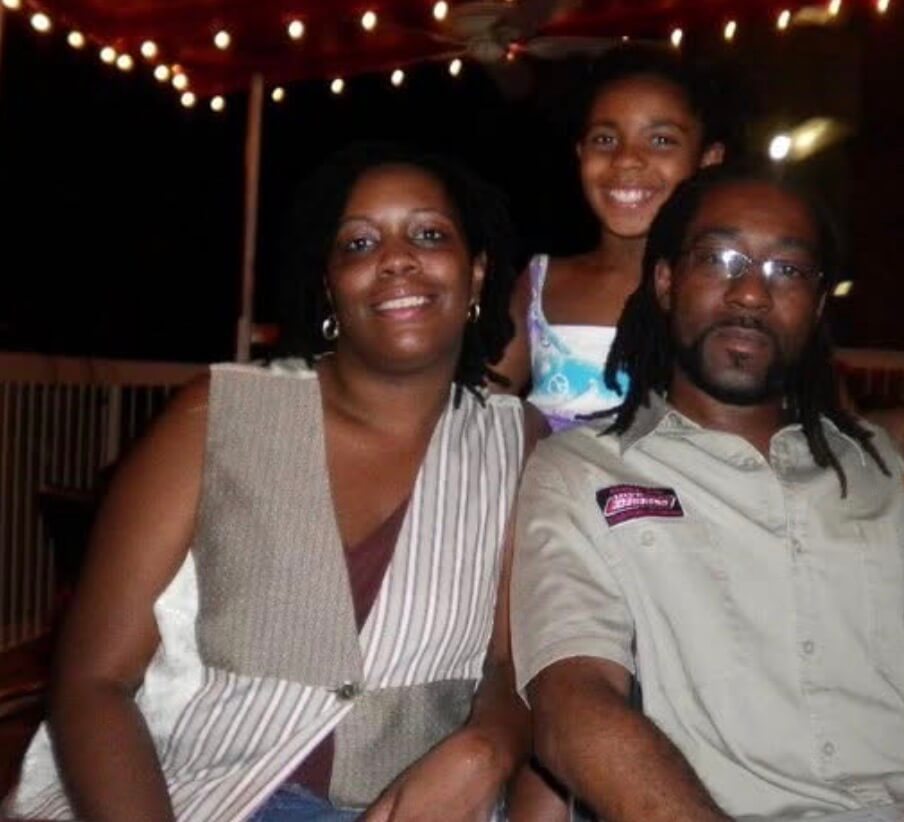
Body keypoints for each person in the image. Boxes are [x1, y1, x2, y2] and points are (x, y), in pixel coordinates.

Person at [510, 164, 904, 821]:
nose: (750, 294)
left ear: (816, 308)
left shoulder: (884, 471)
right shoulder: (584, 472)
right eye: (719, 259)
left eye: (786, 270)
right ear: (666, 282)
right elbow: (574, 704)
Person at [6, 144, 549, 821]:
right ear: (329, 285)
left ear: (476, 275)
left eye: (430, 235)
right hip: (191, 798)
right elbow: (94, 680)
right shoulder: (218, 414)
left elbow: (512, 663)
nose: (397, 258)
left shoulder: (516, 441)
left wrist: (488, 748)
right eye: (359, 243)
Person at [494, 46, 904, 548]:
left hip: (695, 549)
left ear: (709, 160)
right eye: (605, 138)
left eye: (661, 139)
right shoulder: (545, 283)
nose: (628, 159)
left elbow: (840, 427)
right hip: (556, 541)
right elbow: (474, 414)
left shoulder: (737, 306)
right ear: (580, 154)